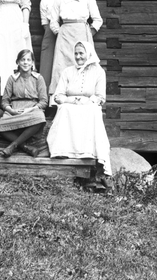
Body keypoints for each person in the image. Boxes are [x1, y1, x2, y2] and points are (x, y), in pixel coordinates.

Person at [47, 41, 110, 183]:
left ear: (89, 54)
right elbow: (58, 96)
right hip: (70, 105)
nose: (78, 57)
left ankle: (88, 152)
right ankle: (63, 151)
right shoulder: (67, 71)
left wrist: (86, 101)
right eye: (75, 53)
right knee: (64, 109)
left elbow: (100, 97)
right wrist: (71, 100)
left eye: (81, 53)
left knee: (93, 111)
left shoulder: (99, 72)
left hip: (88, 106)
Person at [48, 0, 102, 95]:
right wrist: (60, 33)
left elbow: (97, 20)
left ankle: (84, 97)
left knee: (83, 65)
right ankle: (60, 99)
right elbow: (53, 21)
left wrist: (88, 33)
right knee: (62, 66)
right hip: (65, 37)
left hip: (82, 35)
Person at [0, 48, 49, 157]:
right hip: (15, 109)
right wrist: (11, 110)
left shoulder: (38, 78)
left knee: (40, 118)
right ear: (18, 62)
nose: (25, 62)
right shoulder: (12, 79)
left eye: (28, 60)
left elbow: (44, 101)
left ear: (32, 63)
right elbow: (4, 101)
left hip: (32, 109)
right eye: (23, 60)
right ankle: (25, 147)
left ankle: (13, 145)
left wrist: (31, 109)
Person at [38, 0, 66, 93]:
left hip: (66, 30)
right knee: (47, 63)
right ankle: (46, 96)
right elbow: (44, 23)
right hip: (50, 32)